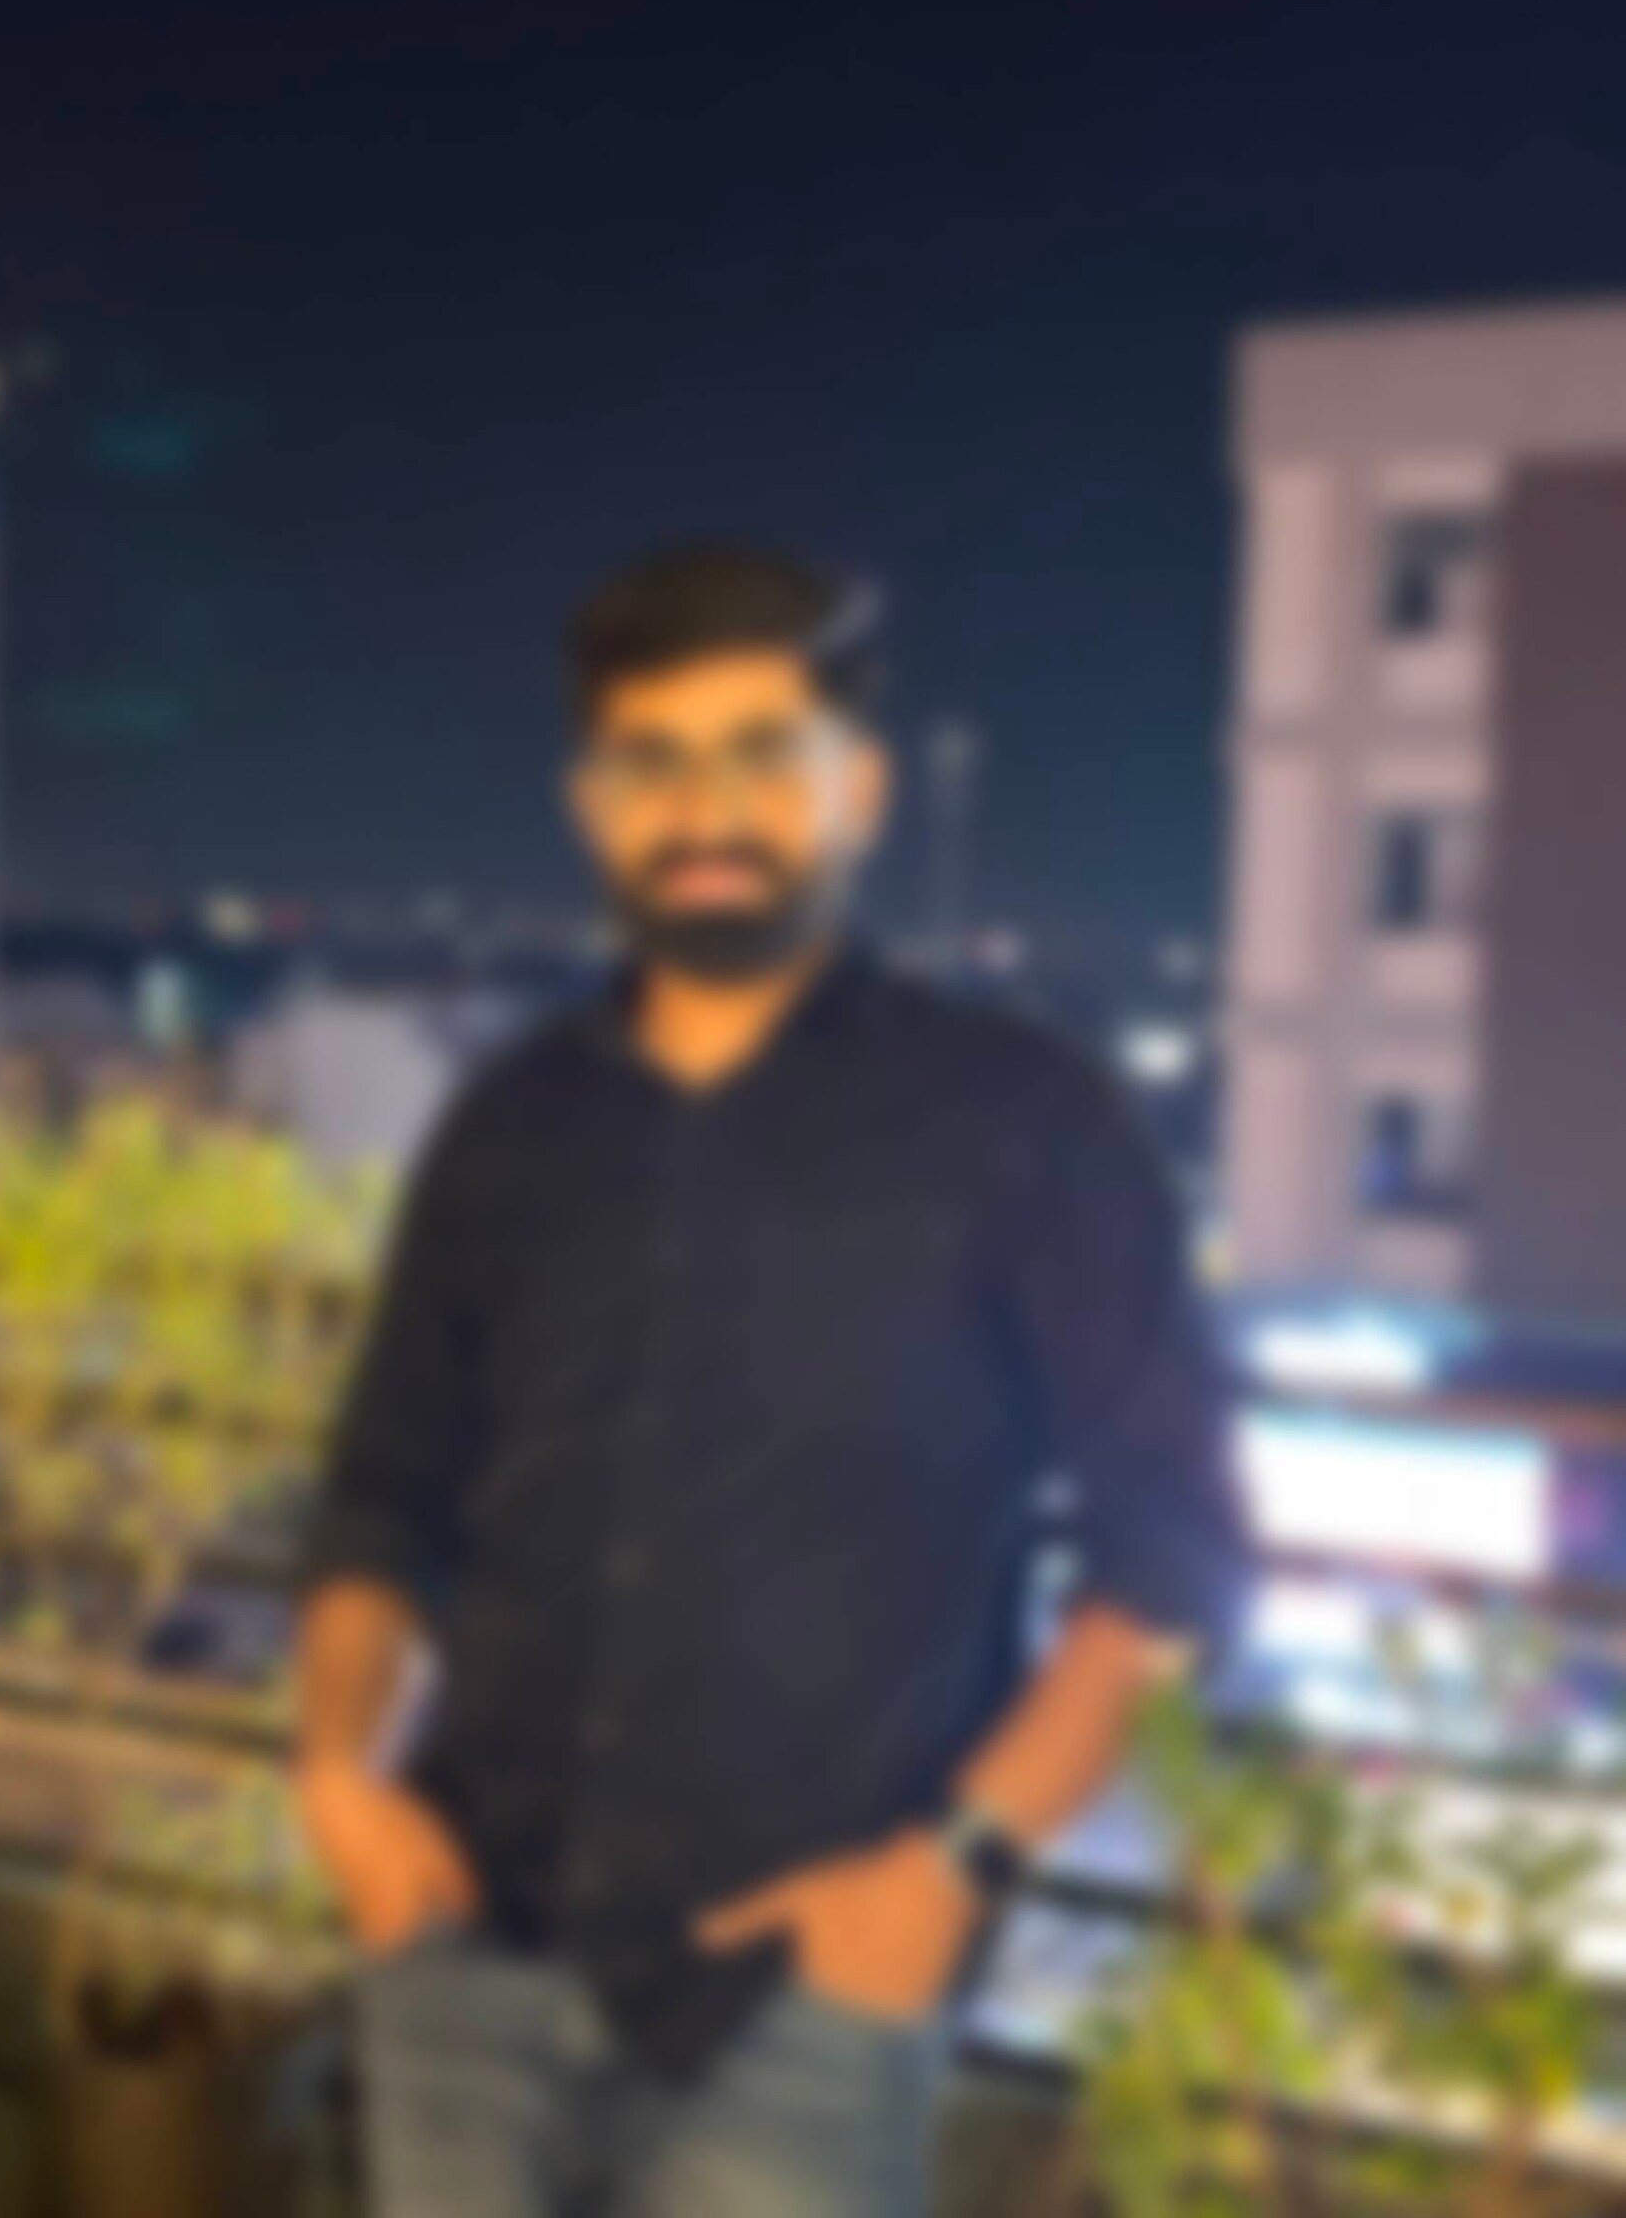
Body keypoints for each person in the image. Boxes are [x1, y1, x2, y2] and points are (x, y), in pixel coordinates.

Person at [293, 542, 1247, 2216]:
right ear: (592, 806)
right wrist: (340, 1780)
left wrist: (949, 1874)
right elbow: (383, 1498)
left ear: (859, 789)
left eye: (762, 756)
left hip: (802, 1999)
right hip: (461, 1938)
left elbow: (1172, 1553)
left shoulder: (1027, 1126)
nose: (705, 813)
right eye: (652, 763)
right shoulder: (510, 1124)